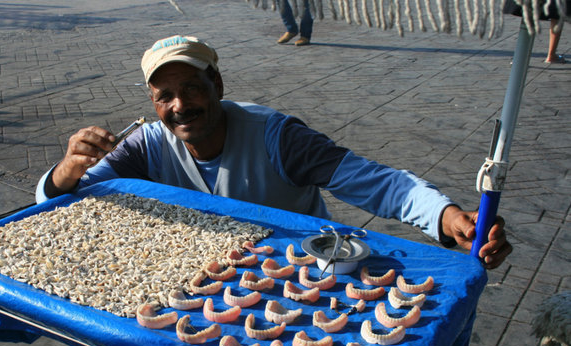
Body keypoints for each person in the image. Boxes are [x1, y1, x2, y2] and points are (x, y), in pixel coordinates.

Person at [36, 35, 512, 269]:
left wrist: (448, 218)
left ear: (217, 84)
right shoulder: (144, 144)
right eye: (164, 96)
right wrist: (67, 169)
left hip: (299, 267)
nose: (179, 107)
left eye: (191, 89)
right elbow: (66, 203)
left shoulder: (276, 136)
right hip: (208, 272)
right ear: (152, 102)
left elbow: (378, 183)